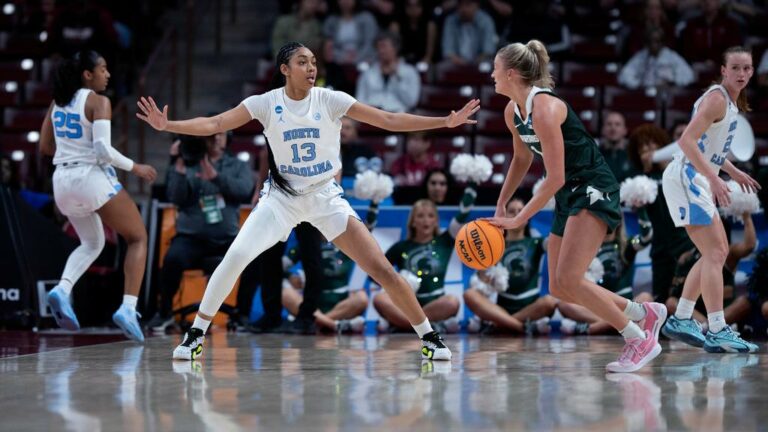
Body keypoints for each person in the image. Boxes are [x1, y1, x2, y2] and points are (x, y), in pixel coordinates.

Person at [137, 41, 480, 361]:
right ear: (285, 68)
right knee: (236, 257)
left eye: (314, 62)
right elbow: (215, 122)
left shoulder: (330, 100)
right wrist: (170, 125)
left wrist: (445, 122)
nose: (311, 67)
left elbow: (388, 120)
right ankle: (196, 335)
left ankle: (429, 338)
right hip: (281, 199)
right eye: (302, 62)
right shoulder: (265, 103)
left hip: (324, 197)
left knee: (381, 269)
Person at [483, 40, 666, 373]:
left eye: (495, 68)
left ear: (510, 73)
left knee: (571, 276)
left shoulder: (545, 108)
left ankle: (637, 338)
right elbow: (522, 158)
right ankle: (643, 313)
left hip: (594, 187)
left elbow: (554, 177)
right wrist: (501, 202)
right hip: (570, 192)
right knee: (558, 284)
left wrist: (520, 218)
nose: (491, 74)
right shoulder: (513, 111)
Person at [40, 50, 157, 341]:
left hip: (62, 182)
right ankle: (128, 308)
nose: (107, 74)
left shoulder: (57, 104)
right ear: (87, 74)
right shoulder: (98, 101)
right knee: (138, 237)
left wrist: (72, 154)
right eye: (102, 69)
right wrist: (137, 167)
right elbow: (103, 150)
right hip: (88, 177)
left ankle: (63, 288)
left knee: (93, 242)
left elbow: (45, 146)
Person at [660, 46, 760, 353]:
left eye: (747, 68)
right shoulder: (717, 98)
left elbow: (709, 149)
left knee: (712, 253)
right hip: (688, 176)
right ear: (723, 70)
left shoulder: (729, 102)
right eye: (736, 68)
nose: (742, 74)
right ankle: (717, 328)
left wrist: (732, 170)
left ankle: (683, 318)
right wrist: (715, 178)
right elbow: (686, 141)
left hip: (696, 175)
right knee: (718, 251)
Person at [145, 133, 260, 333]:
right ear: (202, 139)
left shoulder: (237, 165)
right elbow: (175, 197)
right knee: (172, 258)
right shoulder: (189, 161)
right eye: (211, 136)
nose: (216, 139)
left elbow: (244, 190)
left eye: (221, 135)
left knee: (251, 259)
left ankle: (242, 315)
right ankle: (164, 314)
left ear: (227, 138)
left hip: (226, 238)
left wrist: (216, 177)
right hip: (191, 238)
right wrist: (178, 163)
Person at [374, 197, 475, 332]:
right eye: (420, 216)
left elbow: (463, 216)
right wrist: (398, 280)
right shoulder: (401, 247)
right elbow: (376, 275)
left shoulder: (444, 242)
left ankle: (403, 325)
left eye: (430, 216)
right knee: (379, 299)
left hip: (434, 304)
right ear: (413, 222)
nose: (426, 220)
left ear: (436, 221)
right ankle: (426, 328)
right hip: (406, 304)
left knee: (452, 302)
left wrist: (474, 181)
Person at [463, 197, 555, 334]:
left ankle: (500, 325)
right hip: (502, 307)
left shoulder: (537, 243)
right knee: (470, 294)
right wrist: (484, 278)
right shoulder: (493, 246)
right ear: (503, 217)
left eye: (521, 211)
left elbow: (558, 244)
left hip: (531, 306)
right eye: (511, 211)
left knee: (550, 302)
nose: (517, 214)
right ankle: (520, 327)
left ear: (528, 216)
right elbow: (481, 281)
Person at [626, 124, 695, 306]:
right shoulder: (639, 179)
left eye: (652, 145)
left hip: (683, 241)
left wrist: (663, 162)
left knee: (685, 295)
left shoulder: (677, 169)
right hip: (660, 248)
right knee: (661, 297)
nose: (648, 150)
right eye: (643, 148)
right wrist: (647, 171)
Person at [558, 217, 653, 335]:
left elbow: (647, 237)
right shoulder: (586, 248)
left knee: (646, 297)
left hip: (624, 304)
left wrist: (641, 205)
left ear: (619, 220)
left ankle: (591, 329)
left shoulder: (626, 245)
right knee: (564, 304)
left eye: (611, 215)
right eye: (603, 216)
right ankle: (621, 324)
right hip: (598, 306)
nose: (607, 220)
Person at [355, 31, 421, 113]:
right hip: (372, 116)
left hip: (398, 116)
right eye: (378, 47)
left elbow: (411, 102)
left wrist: (397, 76)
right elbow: (360, 100)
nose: (381, 51)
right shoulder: (368, 72)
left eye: (384, 46)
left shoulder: (410, 72)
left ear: (395, 48)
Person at [618, 26, 695, 90]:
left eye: (657, 41)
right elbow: (624, 76)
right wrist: (638, 84)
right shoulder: (640, 57)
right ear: (646, 42)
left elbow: (689, 76)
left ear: (662, 42)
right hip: (645, 94)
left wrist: (672, 82)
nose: (654, 44)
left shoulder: (671, 56)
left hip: (667, 93)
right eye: (650, 41)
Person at [440, 0, 497, 65]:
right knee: (443, 66)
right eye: (460, 5)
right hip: (456, 62)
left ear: (477, 6)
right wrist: (458, 60)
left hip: (479, 61)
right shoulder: (450, 21)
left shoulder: (486, 21)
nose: (463, 9)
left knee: (488, 65)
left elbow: (488, 50)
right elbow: (448, 50)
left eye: (468, 4)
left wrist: (475, 62)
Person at [597, 111, 634, 183]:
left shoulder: (634, 155)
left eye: (617, 124)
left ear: (625, 130)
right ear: (603, 130)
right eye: (609, 124)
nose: (613, 128)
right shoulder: (594, 155)